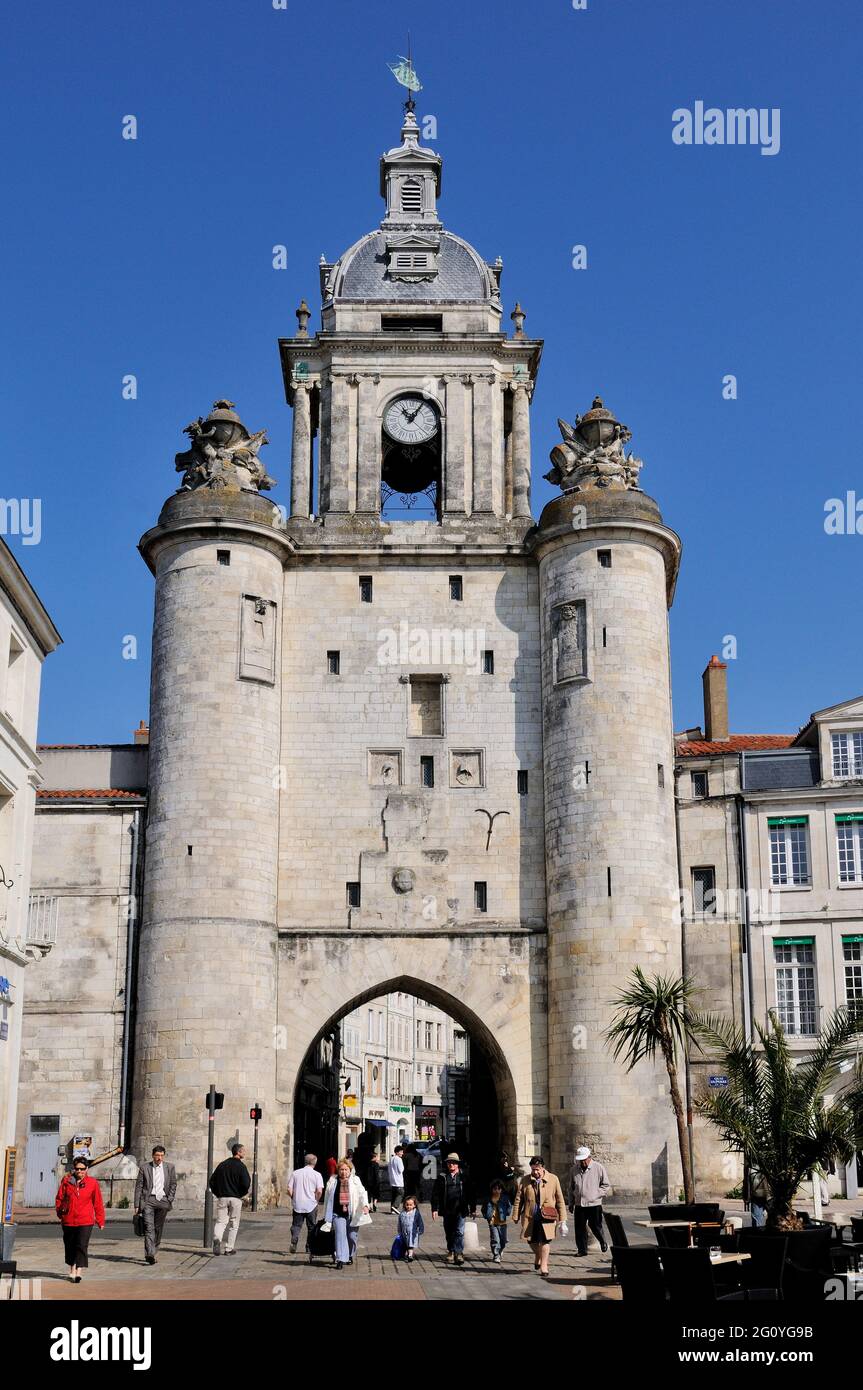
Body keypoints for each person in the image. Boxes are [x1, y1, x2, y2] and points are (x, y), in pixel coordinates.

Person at [513, 1155, 566, 1278]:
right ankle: (538, 1255)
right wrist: (515, 1214)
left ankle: (544, 1265)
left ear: (543, 1168)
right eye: (533, 1169)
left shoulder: (553, 1179)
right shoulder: (525, 1180)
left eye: (537, 1169)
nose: (535, 1172)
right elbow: (518, 1199)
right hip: (530, 1216)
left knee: (545, 1240)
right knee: (531, 1240)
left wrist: (563, 1219)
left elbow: (560, 1200)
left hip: (547, 1216)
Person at [55, 1157, 105, 1283]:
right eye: (77, 1169)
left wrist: (100, 1219)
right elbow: (59, 1198)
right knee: (70, 1245)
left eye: (82, 1169)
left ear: (87, 1169)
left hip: (86, 1220)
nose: (79, 1171)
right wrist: (60, 1213)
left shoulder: (92, 1183)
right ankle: (72, 1268)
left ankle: (78, 1272)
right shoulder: (66, 1181)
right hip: (68, 1220)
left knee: (82, 1245)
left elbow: (97, 1202)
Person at [322, 1158, 369, 1269]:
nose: (343, 1172)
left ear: (350, 1170)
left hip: (352, 1213)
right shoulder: (333, 1180)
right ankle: (341, 1259)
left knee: (352, 1236)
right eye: (341, 1169)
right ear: (338, 1170)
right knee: (340, 1235)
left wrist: (366, 1205)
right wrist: (326, 1214)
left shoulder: (355, 1180)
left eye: (346, 1169)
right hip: (337, 1213)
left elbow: (362, 1193)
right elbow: (327, 1197)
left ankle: (350, 1254)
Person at [134, 1144, 176, 1266]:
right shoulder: (145, 1167)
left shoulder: (170, 1167)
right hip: (148, 1201)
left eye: (162, 1155)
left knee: (158, 1228)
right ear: (153, 1156)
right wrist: (137, 1204)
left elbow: (173, 1184)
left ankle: (154, 1250)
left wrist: (170, 1199)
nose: (159, 1158)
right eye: (157, 1155)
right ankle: (150, 1254)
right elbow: (139, 1186)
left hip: (163, 1200)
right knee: (149, 1228)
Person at [209, 1143, 251, 1256]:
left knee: (221, 1221)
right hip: (235, 1198)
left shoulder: (222, 1165)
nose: (245, 1153)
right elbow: (246, 1183)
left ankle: (217, 1239)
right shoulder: (241, 1166)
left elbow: (212, 1181)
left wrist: (218, 1193)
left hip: (222, 1197)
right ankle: (228, 1249)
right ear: (238, 1152)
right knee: (234, 1224)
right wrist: (241, 1193)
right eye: (243, 1151)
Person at [568, 1145, 611, 1256]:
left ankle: (602, 1241)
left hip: (594, 1204)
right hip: (579, 1204)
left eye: (584, 1160)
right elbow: (571, 1187)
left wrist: (597, 1194)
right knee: (579, 1229)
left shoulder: (598, 1167)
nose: (582, 1163)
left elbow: (606, 1185)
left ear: (589, 1157)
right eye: (580, 1160)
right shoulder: (574, 1170)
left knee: (596, 1225)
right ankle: (582, 1250)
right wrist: (571, 1202)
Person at [431, 1152, 472, 1266]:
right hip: (447, 1209)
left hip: (460, 1208)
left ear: (457, 1164)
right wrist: (434, 1208)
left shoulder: (464, 1176)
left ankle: (459, 1253)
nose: (451, 1165)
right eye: (449, 1163)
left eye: (453, 1163)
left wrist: (472, 1208)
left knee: (459, 1231)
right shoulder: (442, 1177)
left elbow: (470, 1192)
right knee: (449, 1232)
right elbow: (435, 1194)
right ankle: (451, 1251)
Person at [288, 1153, 325, 1254]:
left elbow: (289, 1189)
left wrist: (293, 1197)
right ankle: (309, 1246)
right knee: (311, 1226)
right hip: (311, 1204)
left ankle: (294, 1238)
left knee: (296, 1225)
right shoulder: (317, 1175)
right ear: (315, 1163)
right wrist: (317, 1200)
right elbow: (319, 1191)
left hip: (298, 1204)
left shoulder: (295, 1173)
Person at [484, 1180, 513, 1264]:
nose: (496, 1190)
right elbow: (484, 1209)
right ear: (492, 1189)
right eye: (495, 1189)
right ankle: (496, 1255)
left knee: (503, 1240)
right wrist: (486, 1216)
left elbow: (509, 1206)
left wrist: (507, 1213)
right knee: (495, 1239)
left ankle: (500, 1250)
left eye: (498, 1189)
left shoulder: (505, 1198)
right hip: (492, 1223)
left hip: (502, 1222)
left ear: (501, 1190)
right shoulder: (489, 1199)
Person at [395, 1194, 425, 1261]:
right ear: (404, 1205)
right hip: (404, 1232)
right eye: (407, 1205)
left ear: (414, 1205)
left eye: (410, 1205)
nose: (409, 1206)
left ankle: (410, 1255)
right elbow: (399, 1223)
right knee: (405, 1244)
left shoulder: (416, 1213)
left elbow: (420, 1222)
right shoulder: (402, 1214)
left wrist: (421, 1229)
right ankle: (408, 1254)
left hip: (412, 1233)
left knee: (410, 1244)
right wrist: (399, 1231)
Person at [387, 1144, 405, 1213]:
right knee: (401, 1193)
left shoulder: (391, 1159)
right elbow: (401, 1170)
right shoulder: (399, 1159)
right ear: (397, 1152)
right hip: (398, 1181)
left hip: (392, 1180)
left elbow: (389, 1169)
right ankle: (395, 1206)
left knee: (394, 1195)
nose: (402, 1153)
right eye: (401, 1152)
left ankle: (392, 1210)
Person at [366, 1148, 381, 1213]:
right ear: (374, 1157)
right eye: (377, 1156)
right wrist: (378, 1181)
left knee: (369, 1194)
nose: (377, 1158)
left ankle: (369, 1206)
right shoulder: (376, 1164)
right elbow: (376, 1173)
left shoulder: (367, 1164)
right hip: (375, 1181)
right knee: (376, 1194)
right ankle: (374, 1203)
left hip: (368, 1181)